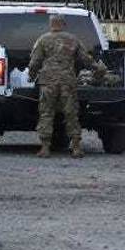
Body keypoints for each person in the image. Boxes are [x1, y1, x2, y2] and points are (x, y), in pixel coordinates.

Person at [28, 13, 100, 158]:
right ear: (64, 24)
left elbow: (35, 62)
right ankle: (76, 147)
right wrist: (98, 69)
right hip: (67, 81)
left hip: (48, 82)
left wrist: (31, 75)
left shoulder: (43, 39)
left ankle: (45, 147)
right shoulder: (73, 39)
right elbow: (86, 59)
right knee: (71, 113)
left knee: (46, 113)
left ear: (51, 24)